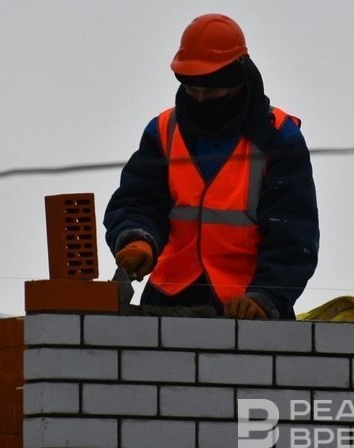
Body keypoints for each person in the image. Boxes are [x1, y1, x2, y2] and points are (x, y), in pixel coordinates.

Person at [104, 13, 319, 320]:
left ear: (237, 83)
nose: (201, 99)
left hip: (247, 308)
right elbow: (138, 199)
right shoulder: (164, 131)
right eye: (193, 91)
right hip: (169, 299)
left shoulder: (278, 138)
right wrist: (137, 238)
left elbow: (293, 234)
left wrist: (267, 296)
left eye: (212, 92)